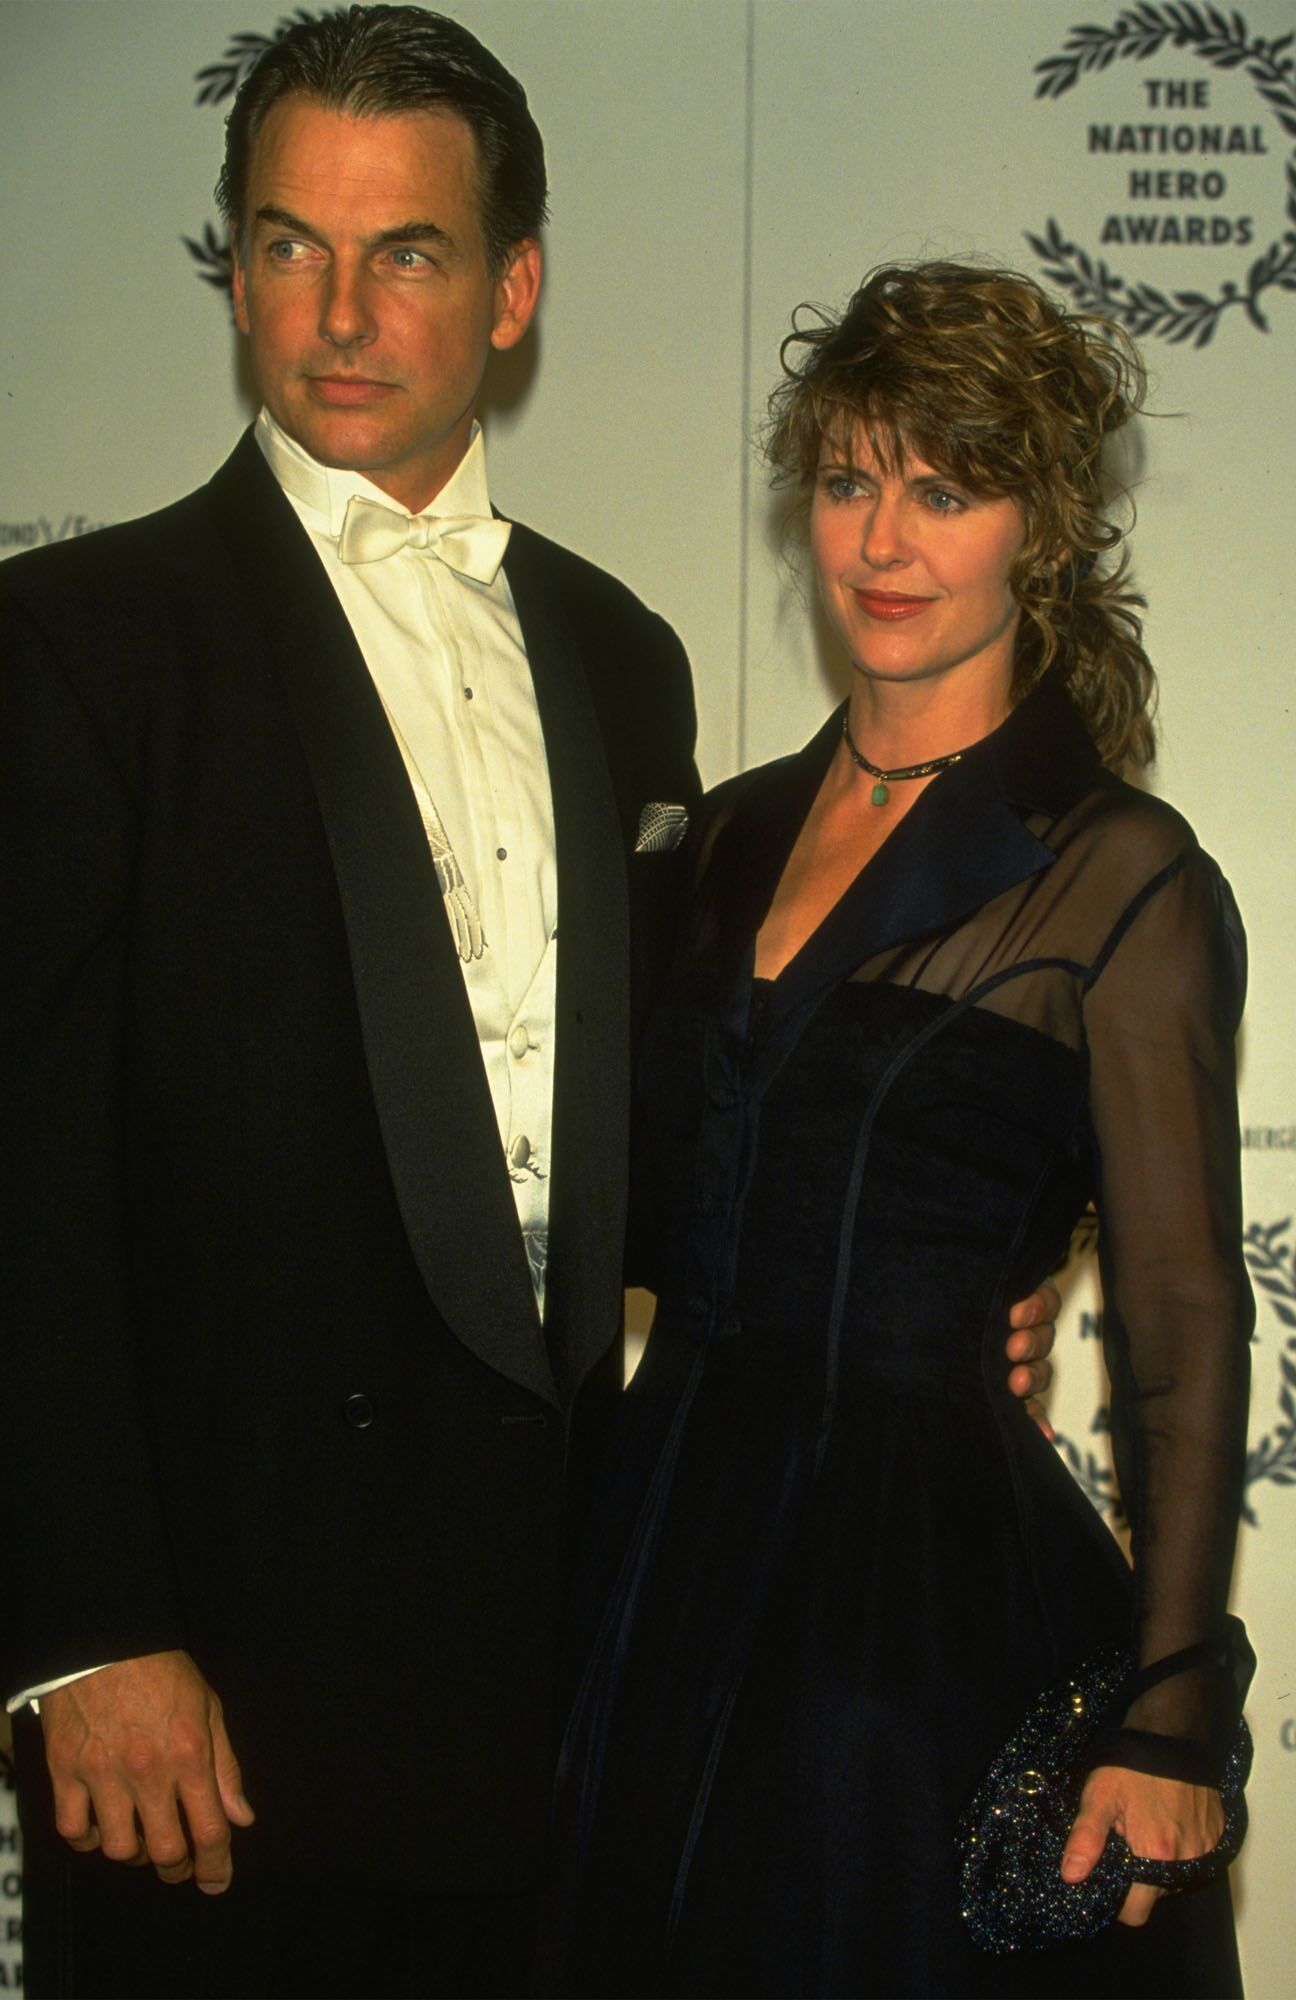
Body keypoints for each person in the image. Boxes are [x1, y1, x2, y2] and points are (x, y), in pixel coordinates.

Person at [0, 14, 1058, 1999]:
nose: (334, 306)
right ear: (231, 264)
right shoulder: (72, 642)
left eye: (402, 250)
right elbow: (17, 1181)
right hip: (206, 1700)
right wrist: (82, 1631)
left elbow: (642, 1135)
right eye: (284, 241)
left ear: (512, 289)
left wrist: (909, 1255)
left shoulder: (610, 649)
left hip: (572, 1656)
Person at [550, 262, 1254, 1999]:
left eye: (945, 490)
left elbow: (1176, 1321)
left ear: (1041, 527)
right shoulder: (709, 840)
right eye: (851, 480)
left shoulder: (1114, 874)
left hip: (915, 1611)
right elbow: (621, 1205)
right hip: (653, 1552)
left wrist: (1169, 1710)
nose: (885, 538)